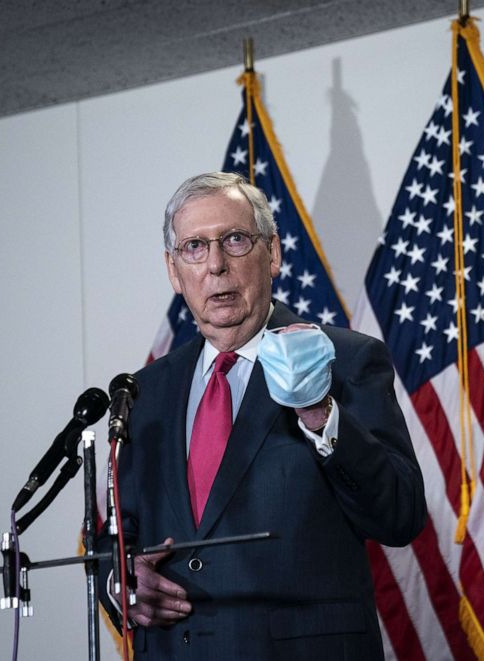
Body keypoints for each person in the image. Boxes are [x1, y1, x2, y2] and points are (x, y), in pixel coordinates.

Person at [97, 171, 425, 660]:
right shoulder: (145, 390)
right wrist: (118, 581)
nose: (215, 266)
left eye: (234, 240)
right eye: (193, 247)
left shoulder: (345, 359)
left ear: (271, 254)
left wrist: (320, 413)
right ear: (173, 270)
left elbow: (400, 516)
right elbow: (120, 529)